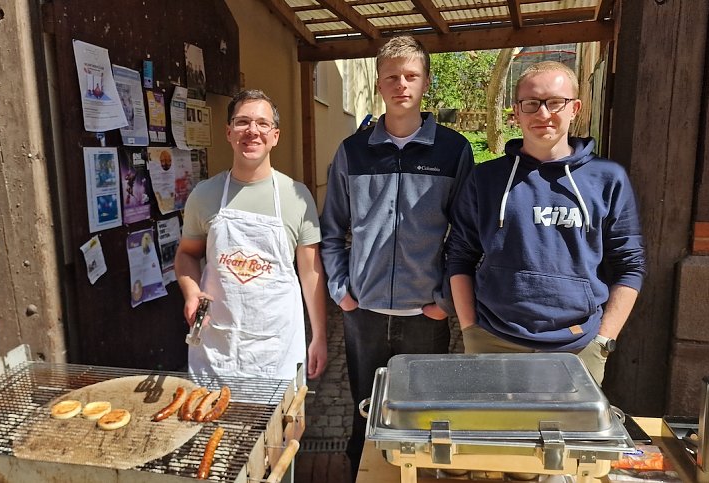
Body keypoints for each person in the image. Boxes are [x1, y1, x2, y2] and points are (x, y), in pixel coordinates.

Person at [320, 35, 474, 478]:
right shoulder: (353, 150)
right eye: (392, 76)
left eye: (411, 76)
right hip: (362, 313)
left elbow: (466, 236)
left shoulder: (453, 150)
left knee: (424, 418)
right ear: (379, 84)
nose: (401, 84)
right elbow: (331, 230)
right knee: (365, 414)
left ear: (426, 82)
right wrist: (341, 291)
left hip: (424, 316)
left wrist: (443, 302)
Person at [446, 61, 646, 385]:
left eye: (555, 102)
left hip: (578, 349)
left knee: (565, 438)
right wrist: (471, 331)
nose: (543, 114)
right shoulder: (485, 179)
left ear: (575, 108)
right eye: (532, 103)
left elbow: (630, 265)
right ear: (516, 112)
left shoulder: (608, 179)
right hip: (494, 342)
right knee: (492, 436)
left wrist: (603, 342)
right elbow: (459, 256)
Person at [175, 89, 328, 381]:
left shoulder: (296, 197)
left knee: (282, 426)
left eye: (262, 123)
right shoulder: (204, 195)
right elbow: (186, 254)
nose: (252, 131)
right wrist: (191, 292)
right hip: (217, 344)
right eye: (243, 122)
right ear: (229, 132)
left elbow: (310, 272)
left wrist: (319, 334)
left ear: (275, 136)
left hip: (277, 345)